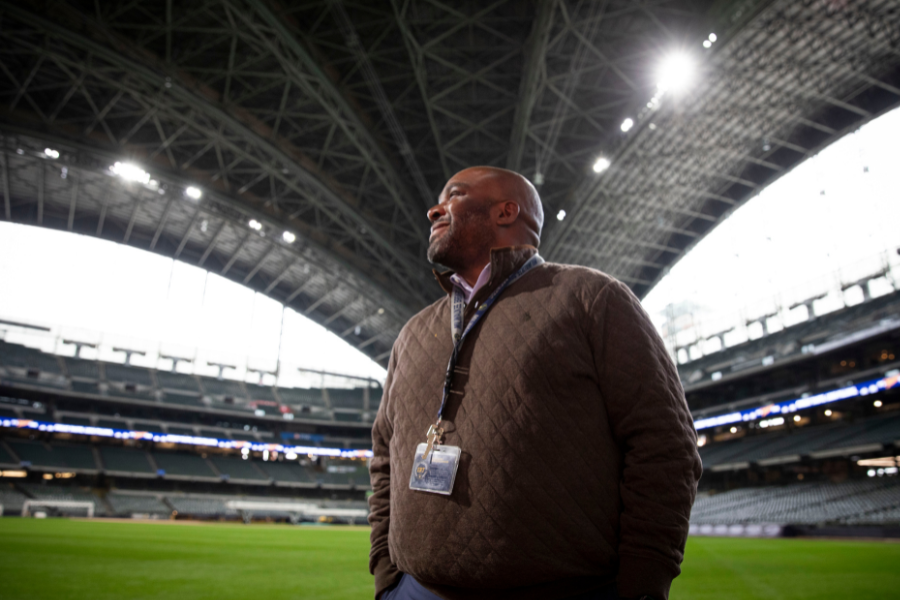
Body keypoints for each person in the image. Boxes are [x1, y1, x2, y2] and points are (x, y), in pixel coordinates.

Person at [368, 166, 702, 600]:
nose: (434, 209)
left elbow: (665, 443)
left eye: (455, 195)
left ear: (507, 211)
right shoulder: (412, 333)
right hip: (414, 591)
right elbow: (383, 456)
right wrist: (386, 575)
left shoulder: (592, 299)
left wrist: (642, 584)